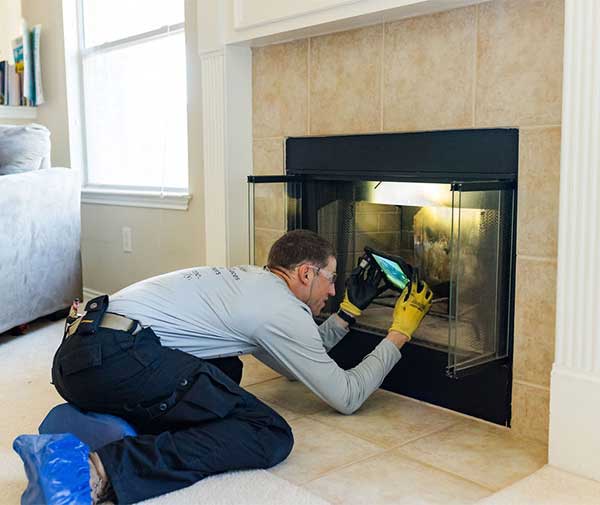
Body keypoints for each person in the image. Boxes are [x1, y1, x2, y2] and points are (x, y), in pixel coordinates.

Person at [17, 229, 432, 504]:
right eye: (331, 278)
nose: (334, 288)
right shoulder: (279, 310)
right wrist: (400, 331)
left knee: (226, 370)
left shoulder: (252, 285)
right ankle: (97, 470)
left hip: (80, 357)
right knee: (267, 433)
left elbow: (296, 362)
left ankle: (97, 423)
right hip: (119, 359)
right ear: (306, 273)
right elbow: (345, 396)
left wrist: (347, 313)